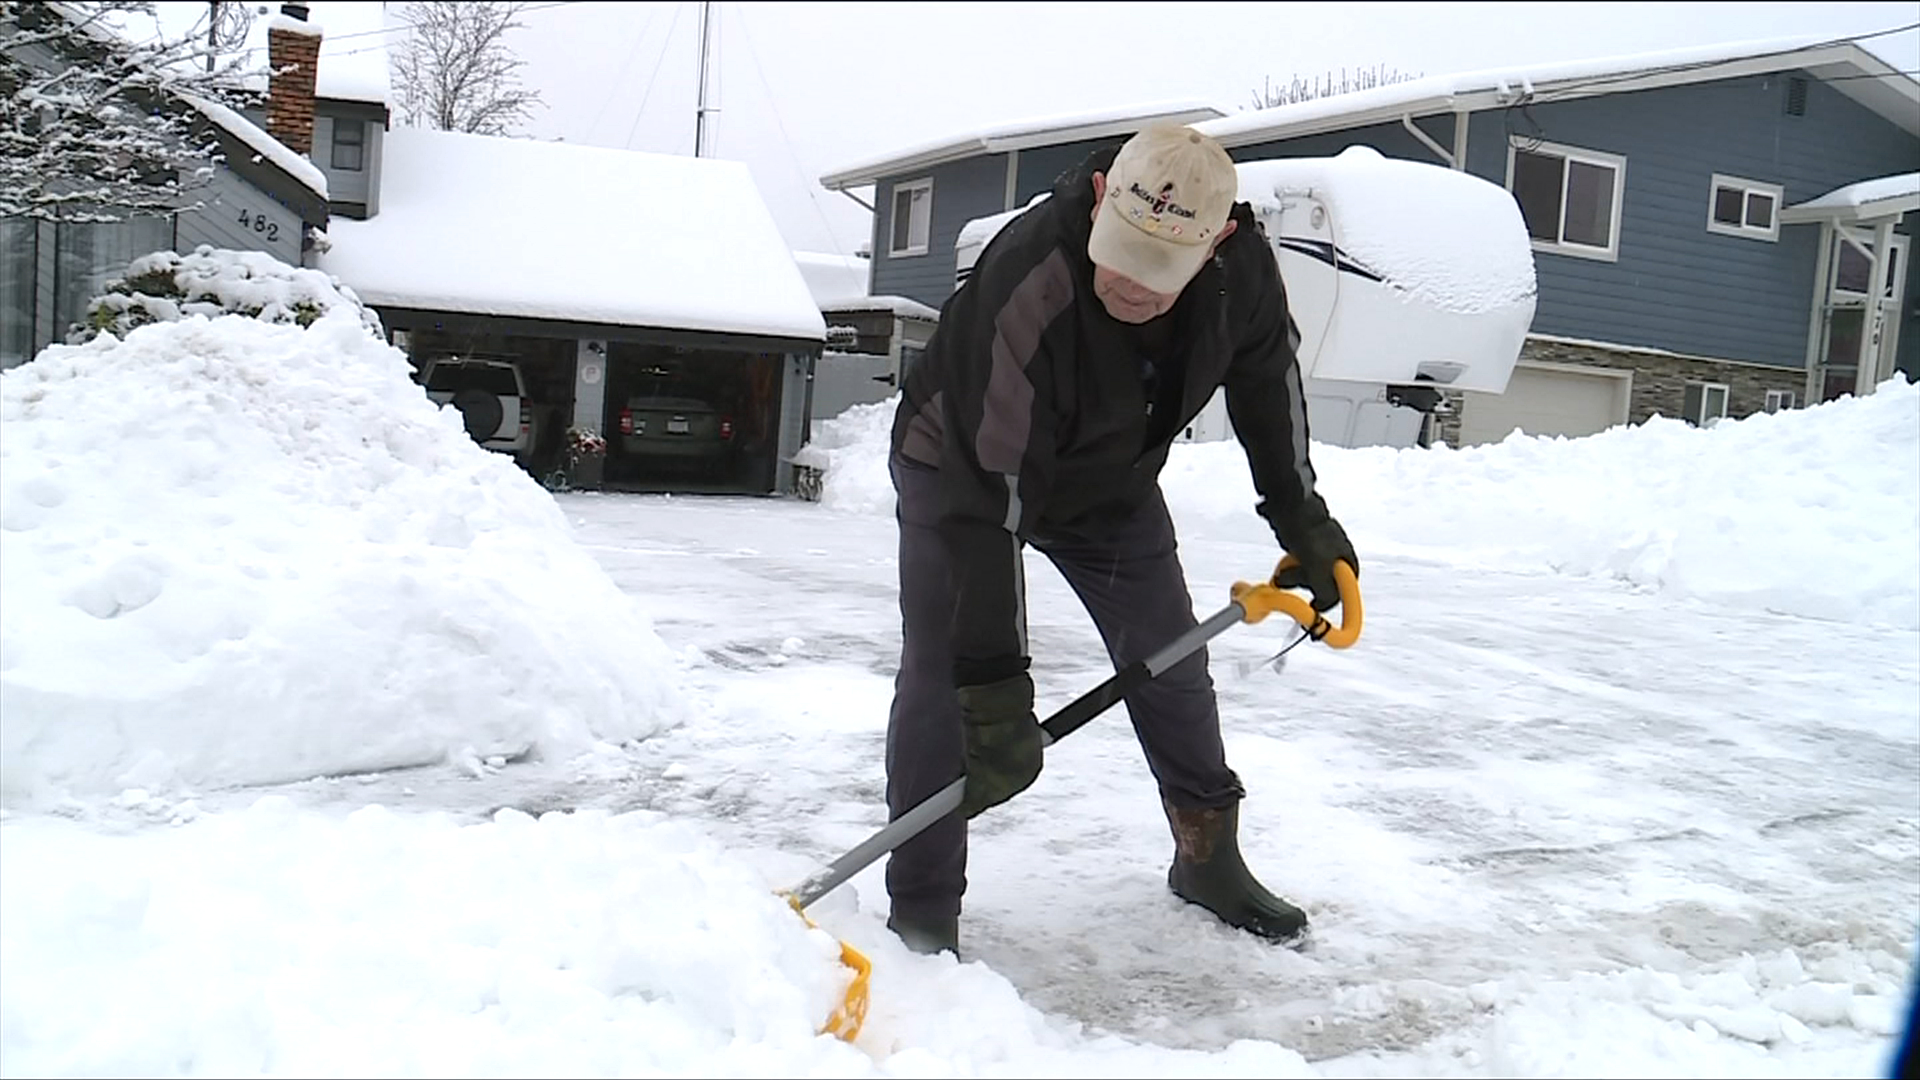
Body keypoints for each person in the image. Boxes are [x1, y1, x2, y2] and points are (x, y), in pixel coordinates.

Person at [883, 124, 1357, 957]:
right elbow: (983, 498)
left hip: (1108, 485)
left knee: (1172, 661)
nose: (1131, 285)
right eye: (1122, 252)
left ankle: (1208, 857)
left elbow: (1266, 391)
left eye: (1161, 268)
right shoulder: (1028, 276)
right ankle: (922, 911)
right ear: (1102, 200)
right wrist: (993, 688)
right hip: (957, 468)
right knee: (945, 685)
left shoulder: (1240, 275)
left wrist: (1304, 522)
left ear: (1216, 242)